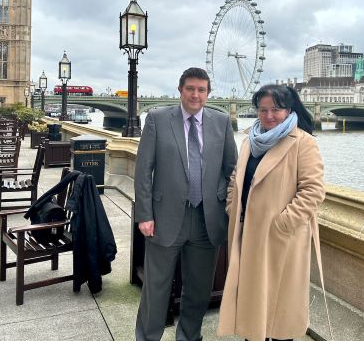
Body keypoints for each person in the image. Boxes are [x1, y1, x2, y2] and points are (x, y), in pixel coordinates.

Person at [134, 67, 238, 341]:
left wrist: (226, 207)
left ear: (208, 93)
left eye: (201, 90)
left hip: (207, 219)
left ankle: (190, 337)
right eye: (190, 88)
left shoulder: (221, 122)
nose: (195, 94)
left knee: (198, 291)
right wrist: (144, 214)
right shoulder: (157, 119)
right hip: (163, 217)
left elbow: (232, 170)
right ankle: (147, 337)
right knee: (156, 289)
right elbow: (144, 169)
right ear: (180, 90)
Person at [217, 84, 326, 341]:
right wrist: (233, 207)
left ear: (289, 110)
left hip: (280, 240)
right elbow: (236, 179)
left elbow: (313, 190)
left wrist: (282, 223)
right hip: (248, 234)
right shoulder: (249, 141)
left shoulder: (303, 143)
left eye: (275, 109)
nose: (268, 116)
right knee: (251, 307)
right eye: (263, 109)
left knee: (279, 312)